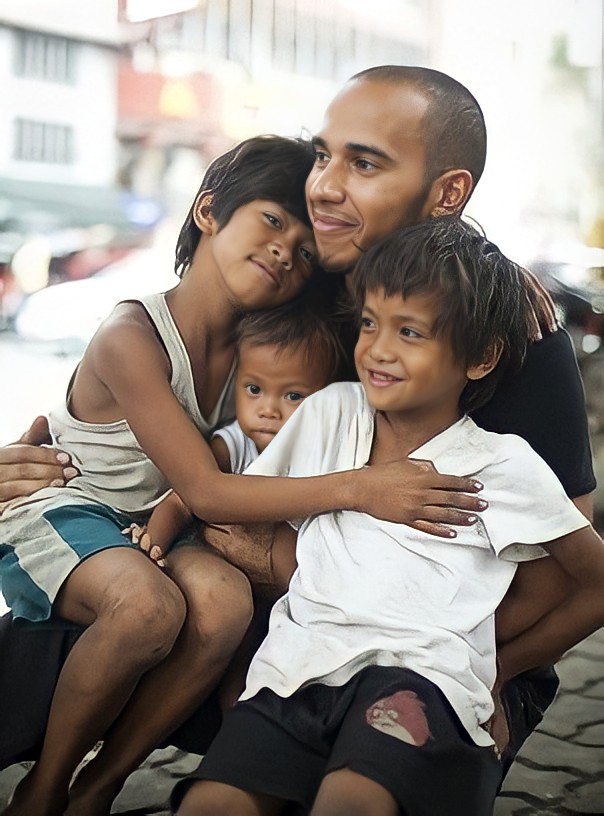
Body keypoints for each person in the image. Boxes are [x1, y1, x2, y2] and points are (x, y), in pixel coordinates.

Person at [0, 64, 595, 788]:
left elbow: (562, 574)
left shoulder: (501, 334)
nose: (323, 186)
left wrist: (469, 670)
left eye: (365, 163)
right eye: (323, 156)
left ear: (448, 194)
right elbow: (184, 417)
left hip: (456, 650)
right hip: (290, 615)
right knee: (142, 604)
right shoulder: (303, 291)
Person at [0, 133, 450, 816]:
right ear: (208, 211)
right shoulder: (133, 335)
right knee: (149, 607)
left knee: (225, 604)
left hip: (157, 531)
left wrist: (510, 283)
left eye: (304, 250)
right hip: (68, 512)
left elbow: (400, 279)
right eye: (271, 221)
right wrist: (362, 490)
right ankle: (47, 784)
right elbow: (208, 489)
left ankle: (104, 782)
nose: (284, 251)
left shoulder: (261, 353)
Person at [173, 217, 604, 816]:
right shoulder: (329, 414)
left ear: (479, 358)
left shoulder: (501, 463)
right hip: (298, 674)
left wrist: (500, 669)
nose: (377, 349)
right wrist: (353, 491)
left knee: (350, 803)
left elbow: (596, 583)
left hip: (422, 684)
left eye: (410, 331)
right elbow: (238, 506)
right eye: (371, 323)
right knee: (209, 806)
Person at [132, 293, 344, 589]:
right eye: (254, 389)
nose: (268, 409)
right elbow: (182, 501)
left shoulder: (327, 448)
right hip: (238, 575)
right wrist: (152, 544)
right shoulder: (236, 443)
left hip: (306, 576)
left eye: (293, 396)